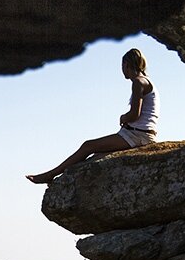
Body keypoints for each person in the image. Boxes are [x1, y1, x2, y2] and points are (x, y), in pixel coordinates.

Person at [26, 48, 159, 184]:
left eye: (122, 66)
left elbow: (134, 115)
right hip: (137, 133)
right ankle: (51, 174)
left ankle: (50, 175)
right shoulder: (146, 81)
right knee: (94, 152)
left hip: (138, 136)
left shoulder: (138, 82)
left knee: (88, 146)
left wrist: (123, 118)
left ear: (126, 64)